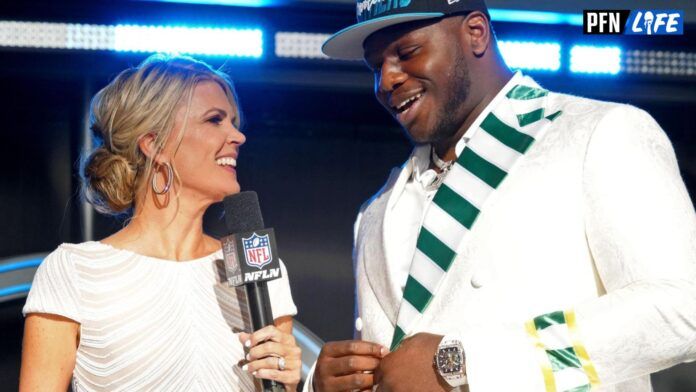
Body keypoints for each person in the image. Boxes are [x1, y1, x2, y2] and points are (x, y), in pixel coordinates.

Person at [307, 0, 696, 391]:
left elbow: (682, 309)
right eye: (376, 67)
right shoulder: (375, 211)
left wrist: (463, 363)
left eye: (407, 53)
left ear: (476, 32)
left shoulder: (599, 133)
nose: (386, 80)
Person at [19, 54, 302, 391]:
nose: (237, 136)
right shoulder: (74, 271)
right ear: (155, 144)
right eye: (215, 120)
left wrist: (290, 382)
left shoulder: (259, 270)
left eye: (233, 122)